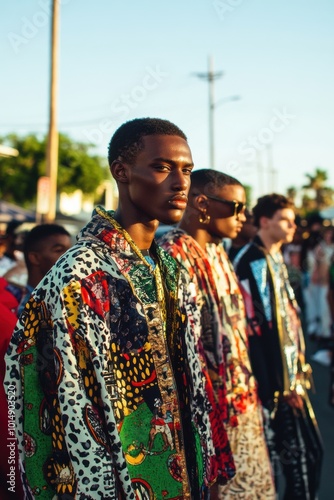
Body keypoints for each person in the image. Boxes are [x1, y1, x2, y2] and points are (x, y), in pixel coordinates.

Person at [5, 118, 223, 499]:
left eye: (186, 169)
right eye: (162, 167)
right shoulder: (78, 276)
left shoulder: (169, 266)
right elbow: (65, 411)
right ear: (121, 171)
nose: (180, 182)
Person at [159, 169, 275, 499]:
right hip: (212, 410)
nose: (244, 217)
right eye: (236, 207)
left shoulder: (216, 249)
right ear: (202, 204)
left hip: (240, 400)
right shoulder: (173, 254)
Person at [233, 193, 323, 499]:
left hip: (289, 382)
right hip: (275, 389)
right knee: (298, 466)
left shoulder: (272, 257)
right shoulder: (254, 261)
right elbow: (261, 330)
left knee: (308, 460)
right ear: (264, 221)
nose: (293, 226)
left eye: (293, 220)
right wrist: (282, 386)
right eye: (285, 219)